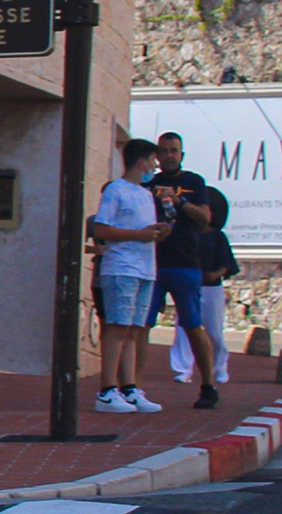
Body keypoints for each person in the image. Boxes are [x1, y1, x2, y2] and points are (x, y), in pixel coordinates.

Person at [88, 139, 171, 413]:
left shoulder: (146, 194)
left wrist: (157, 233)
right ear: (141, 162)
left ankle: (130, 387)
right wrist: (138, 235)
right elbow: (101, 228)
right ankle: (107, 389)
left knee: (135, 330)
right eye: (153, 160)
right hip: (121, 267)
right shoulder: (116, 190)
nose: (155, 166)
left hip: (146, 268)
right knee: (117, 327)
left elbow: (142, 229)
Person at [144, 132, 222, 409]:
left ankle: (208, 385)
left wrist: (180, 203)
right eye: (163, 151)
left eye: (174, 151)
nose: (169, 156)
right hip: (152, 263)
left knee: (192, 324)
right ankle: (133, 388)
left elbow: (205, 217)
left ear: (181, 155)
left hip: (185, 263)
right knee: (142, 326)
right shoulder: (147, 183)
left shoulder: (193, 182)